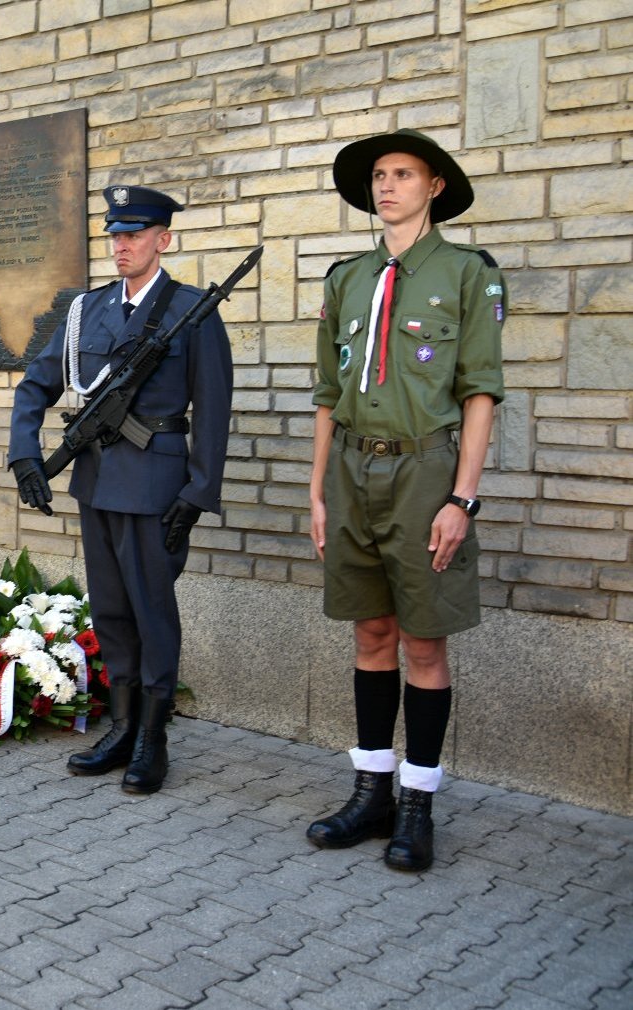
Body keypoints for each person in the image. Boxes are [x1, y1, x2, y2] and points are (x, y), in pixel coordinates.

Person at [304, 129, 503, 873]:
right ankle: (372, 791)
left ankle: (418, 805)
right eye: (380, 176)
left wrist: (463, 499)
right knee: (371, 636)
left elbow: (480, 390)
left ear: (434, 187)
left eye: (403, 174)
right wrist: (319, 491)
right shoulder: (347, 278)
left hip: (425, 475)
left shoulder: (466, 275)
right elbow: (329, 394)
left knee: (424, 641)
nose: (387, 186)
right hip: (353, 473)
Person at [7, 185, 233, 795]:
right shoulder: (89, 310)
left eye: (134, 234)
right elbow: (37, 383)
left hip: (157, 484)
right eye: (115, 235)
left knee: (152, 611)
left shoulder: (193, 311)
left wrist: (199, 491)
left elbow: (213, 411)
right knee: (109, 610)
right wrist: (25, 452)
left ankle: (154, 738)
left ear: (164, 239)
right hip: (97, 480)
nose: (121, 245)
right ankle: (124, 725)